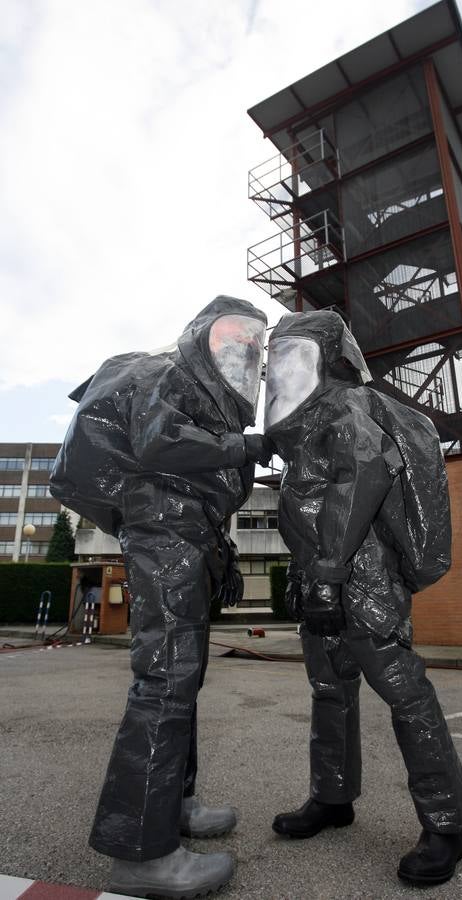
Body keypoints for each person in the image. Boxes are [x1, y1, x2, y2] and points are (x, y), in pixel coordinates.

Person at [50, 296, 272, 898]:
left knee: (182, 679)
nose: (245, 348)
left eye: (254, 340)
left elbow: (202, 492)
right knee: (166, 681)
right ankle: (142, 851)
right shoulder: (172, 374)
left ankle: (174, 804)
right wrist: (239, 449)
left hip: (185, 534)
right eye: (234, 334)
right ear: (203, 333)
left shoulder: (212, 399)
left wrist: (220, 555)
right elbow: (157, 444)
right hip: (165, 532)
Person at [263, 309, 462, 886]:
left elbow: (361, 481)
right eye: (275, 355)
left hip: (363, 579)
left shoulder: (347, 408)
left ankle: (445, 824)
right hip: (320, 574)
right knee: (329, 689)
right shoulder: (303, 424)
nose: (277, 368)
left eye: (292, 354)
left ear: (325, 357)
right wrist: (307, 576)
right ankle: (332, 797)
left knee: (405, 694)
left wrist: (330, 574)